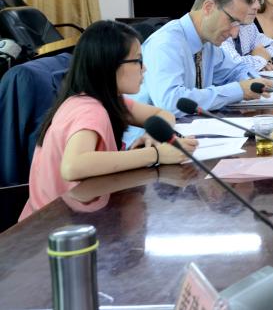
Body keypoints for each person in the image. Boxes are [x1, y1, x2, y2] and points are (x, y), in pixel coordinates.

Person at [20, 21, 197, 220]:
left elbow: (163, 114)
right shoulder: (89, 109)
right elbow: (73, 166)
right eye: (138, 60)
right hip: (50, 228)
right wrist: (156, 154)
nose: (144, 68)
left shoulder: (107, 99)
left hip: (73, 217)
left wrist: (152, 135)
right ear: (110, 65)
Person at [131, 0, 271, 116]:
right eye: (232, 21)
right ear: (208, 7)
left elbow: (235, 70)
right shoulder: (165, 43)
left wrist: (254, 83)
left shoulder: (207, 43)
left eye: (239, 25)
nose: (234, 33)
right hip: (150, 130)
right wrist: (238, 90)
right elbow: (171, 102)